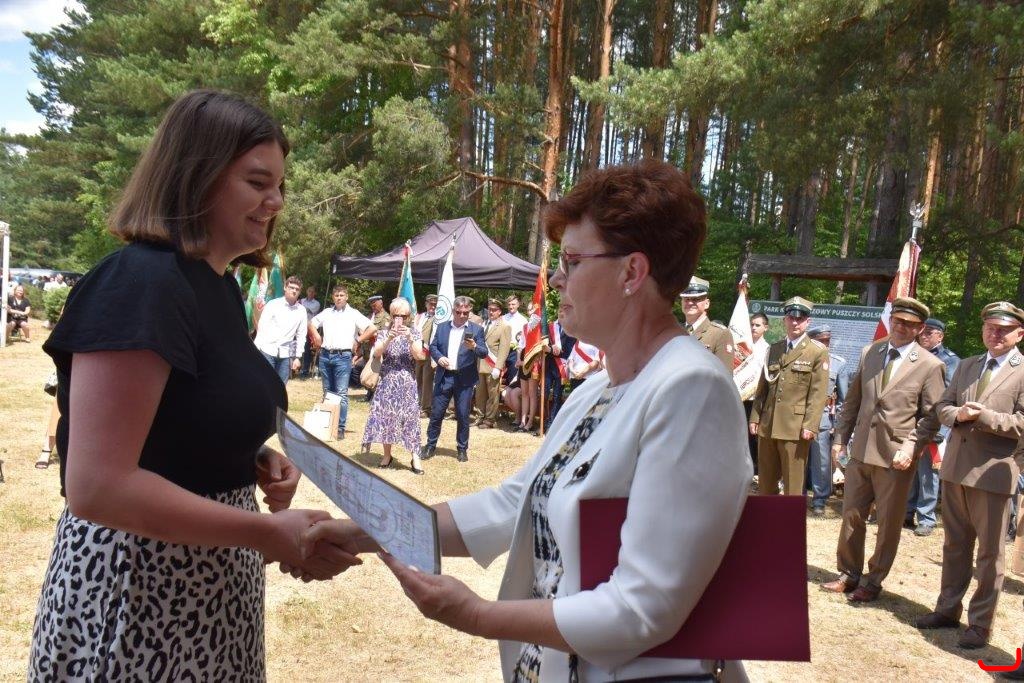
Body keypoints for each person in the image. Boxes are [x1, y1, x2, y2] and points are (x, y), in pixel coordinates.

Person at [301, 159, 752, 681]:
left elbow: (643, 608)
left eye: (572, 262)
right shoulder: (597, 390)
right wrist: (361, 532)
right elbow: (512, 503)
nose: (557, 278)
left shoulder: (691, 388)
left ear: (632, 272)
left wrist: (477, 616)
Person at [28, 89, 357, 681]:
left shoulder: (218, 286)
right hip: (136, 595)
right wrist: (264, 533)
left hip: (204, 591)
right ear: (196, 175)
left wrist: (250, 455)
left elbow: (177, 421)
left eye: (280, 185)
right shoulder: (141, 282)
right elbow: (98, 486)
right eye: (257, 182)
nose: (276, 201)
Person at [820, 298, 945, 603]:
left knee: (888, 523)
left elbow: (932, 416)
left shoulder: (930, 365)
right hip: (861, 451)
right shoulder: (871, 352)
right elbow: (853, 401)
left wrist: (911, 446)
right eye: (898, 321)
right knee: (851, 515)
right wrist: (839, 440)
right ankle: (848, 573)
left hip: (896, 457)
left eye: (909, 324)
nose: (901, 327)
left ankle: (874, 580)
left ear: (920, 329)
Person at [915, 301, 1024, 650]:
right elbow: (942, 407)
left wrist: (985, 417)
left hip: (993, 474)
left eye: (1004, 330)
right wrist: (958, 415)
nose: (996, 334)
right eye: (991, 327)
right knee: (954, 545)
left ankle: (980, 624)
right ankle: (947, 609)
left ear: (1019, 334)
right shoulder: (967, 365)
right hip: (956, 468)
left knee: (990, 555)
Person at [749, 296, 831, 495]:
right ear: (784, 320)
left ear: (807, 321)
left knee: (792, 486)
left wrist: (810, 425)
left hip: (795, 428)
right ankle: (768, 516)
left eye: (800, 319)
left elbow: (818, 393)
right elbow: (763, 388)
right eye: (791, 318)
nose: (795, 322)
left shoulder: (816, 352)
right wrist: (755, 417)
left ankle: (789, 517)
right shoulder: (774, 349)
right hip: (768, 425)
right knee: (766, 484)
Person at [905, 316, 961, 536]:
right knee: (908, 468)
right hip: (910, 422)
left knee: (928, 473)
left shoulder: (950, 361)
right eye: (923, 332)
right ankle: (906, 512)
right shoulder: (913, 355)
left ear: (940, 336)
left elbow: (949, 398)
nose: (924, 336)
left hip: (935, 424)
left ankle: (926, 517)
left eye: (929, 332)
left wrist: (941, 429)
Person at [361, 297, 427, 474]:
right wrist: (389, 338)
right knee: (386, 418)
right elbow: (377, 353)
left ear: (408, 316)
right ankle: (387, 455)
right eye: (397, 315)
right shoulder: (384, 332)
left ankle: (415, 457)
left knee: (410, 418)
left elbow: (419, 356)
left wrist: (409, 337)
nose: (400, 319)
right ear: (391, 315)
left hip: (407, 381)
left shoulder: (415, 333)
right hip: (388, 381)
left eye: (404, 316)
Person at [420, 296, 487, 462]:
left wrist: (475, 346)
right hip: (445, 376)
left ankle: (462, 449)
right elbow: (433, 347)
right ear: (453, 311)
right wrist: (439, 357)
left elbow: (484, 353)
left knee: (463, 415)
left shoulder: (477, 329)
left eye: (466, 313)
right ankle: (430, 445)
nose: (462, 315)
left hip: (464, 379)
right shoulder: (442, 327)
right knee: (437, 413)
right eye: (459, 312)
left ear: (469, 312)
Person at [309, 285, 377, 439]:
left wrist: (358, 339)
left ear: (347, 297)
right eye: (336, 295)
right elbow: (312, 323)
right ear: (333, 297)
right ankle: (327, 425)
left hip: (343, 356)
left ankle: (340, 428)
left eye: (341, 295)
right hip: (326, 355)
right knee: (328, 392)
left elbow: (372, 328)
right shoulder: (327, 312)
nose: (339, 298)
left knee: (341, 393)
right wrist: (316, 336)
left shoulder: (353, 313)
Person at [805, 324, 849, 516]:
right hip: (798, 416)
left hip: (822, 417)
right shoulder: (801, 359)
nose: (825, 345)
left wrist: (838, 426)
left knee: (821, 460)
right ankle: (797, 495)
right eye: (820, 341)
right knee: (798, 459)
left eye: (827, 341)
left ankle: (820, 498)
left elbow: (843, 400)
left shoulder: (838, 363)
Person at [252, 275, 307, 384]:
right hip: (267, 351)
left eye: (297, 289)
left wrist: (297, 357)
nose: (294, 291)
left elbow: (301, 335)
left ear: (300, 292)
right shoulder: (273, 304)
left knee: (280, 387)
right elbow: (262, 328)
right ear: (285, 287)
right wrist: (256, 349)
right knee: (264, 384)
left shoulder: (301, 311)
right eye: (291, 287)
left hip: (286, 355)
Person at [679, 276, 733, 370]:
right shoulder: (675, 332)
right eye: (686, 299)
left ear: (707, 303)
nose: (690, 303)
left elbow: (725, 375)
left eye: (695, 299)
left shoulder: (720, 334)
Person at [474, 298, 512, 429]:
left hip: (493, 365)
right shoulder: (484, 324)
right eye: (489, 309)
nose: (491, 312)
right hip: (480, 364)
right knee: (480, 393)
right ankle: (480, 416)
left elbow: (504, 349)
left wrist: (498, 367)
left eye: (494, 310)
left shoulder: (505, 326)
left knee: (492, 394)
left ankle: (490, 419)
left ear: (500, 311)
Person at [745, 312, 771, 474]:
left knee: (754, 435)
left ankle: (756, 470)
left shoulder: (768, 349)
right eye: (752, 324)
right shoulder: (742, 345)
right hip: (740, 396)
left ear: (765, 328)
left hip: (756, 399)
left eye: (757, 325)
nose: (753, 327)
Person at [414, 293, 439, 415]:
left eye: (435, 304)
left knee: (427, 381)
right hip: (418, 352)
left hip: (429, 354)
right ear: (426, 304)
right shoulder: (420, 317)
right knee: (416, 380)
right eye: (431, 304)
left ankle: (426, 408)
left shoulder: (438, 319)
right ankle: (416, 404)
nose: (433, 307)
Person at [299, 285, 321, 378]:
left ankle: (305, 370)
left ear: (315, 293)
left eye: (312, 292)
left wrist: (300, 306)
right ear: (306, 292)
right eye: (309, 291)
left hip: (310, 329)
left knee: (307, 350)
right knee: (299, 348)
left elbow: (308, 311)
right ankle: (298, 369)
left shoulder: (316, 303)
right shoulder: (302, 301)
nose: (310, 293)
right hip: (299, 327)